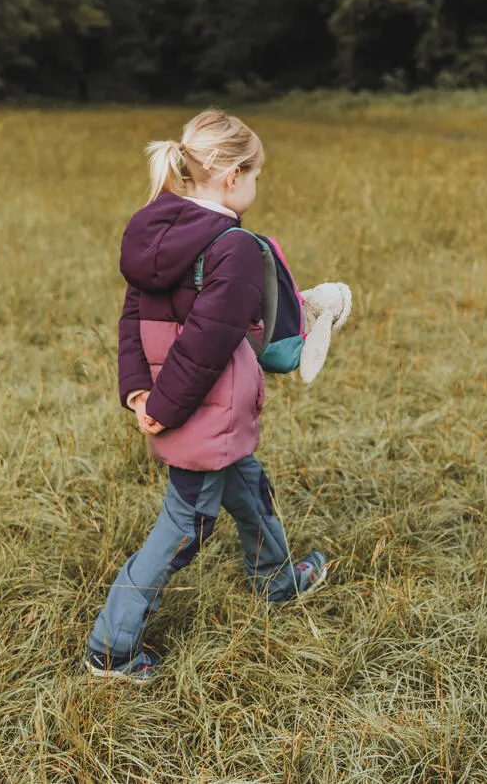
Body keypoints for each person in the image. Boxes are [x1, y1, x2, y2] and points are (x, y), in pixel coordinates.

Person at [83, 109, 328, 681]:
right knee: (185, 523)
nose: (256, 187)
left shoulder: (156, 230)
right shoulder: (235, 246)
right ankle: (112, 647)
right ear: (230, 173)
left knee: (245, 482)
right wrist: (162, 410)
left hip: (179, 405)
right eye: (256, 175)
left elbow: (132, 320)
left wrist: (138, 391)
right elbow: (207, 345)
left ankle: (276, 579)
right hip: (200, 410)